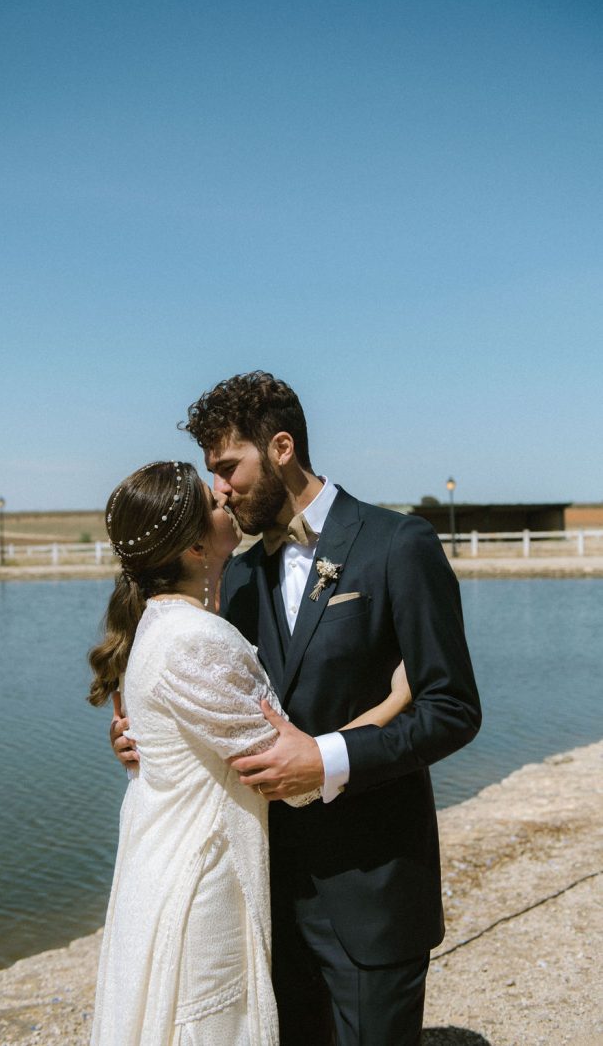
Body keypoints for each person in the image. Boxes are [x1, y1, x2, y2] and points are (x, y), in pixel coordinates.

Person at [112, 373, 482, 1046]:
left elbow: (452, 708)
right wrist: (151, 737)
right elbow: (216, 698)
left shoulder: (398, 545)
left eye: (229, 467)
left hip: (373, 890)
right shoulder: (236, 575)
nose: (219, 489)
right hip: (263, 898)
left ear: (281, 448)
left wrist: (328, 759)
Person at [90, 459, 414, 1045]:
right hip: (201, 875)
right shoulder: (196, 639)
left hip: (163, 855)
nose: (224, 496)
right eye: (211, 502)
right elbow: (290, 770)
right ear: (194, 548)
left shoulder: (164, 624)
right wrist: (396, 699)